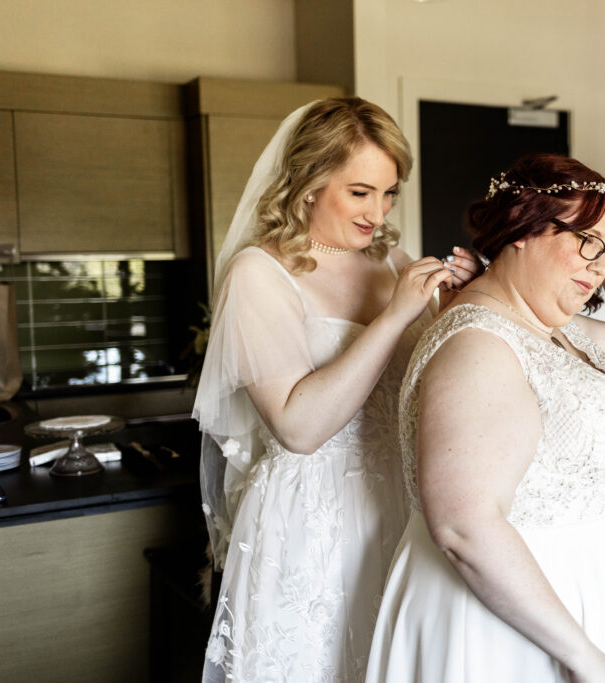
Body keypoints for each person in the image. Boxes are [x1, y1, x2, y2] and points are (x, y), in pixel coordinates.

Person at [365, 154, 605, 683]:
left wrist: (602, 263)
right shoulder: (479, 343)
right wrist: (584, 658)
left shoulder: (561, 328)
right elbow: (463, 527)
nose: (599, 264)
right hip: (519, 611)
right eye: (585, 240)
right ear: (523, 227)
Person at [192, 97, 479, 683]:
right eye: (360, 192)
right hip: (313, 519)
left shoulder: (393, 261)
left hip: (402, 501)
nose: (379, 212)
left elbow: (426, 390)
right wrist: (394, 317)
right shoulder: (259, 273)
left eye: (389, 192)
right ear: (308, 184)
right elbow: (298, 428)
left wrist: (456, 310)